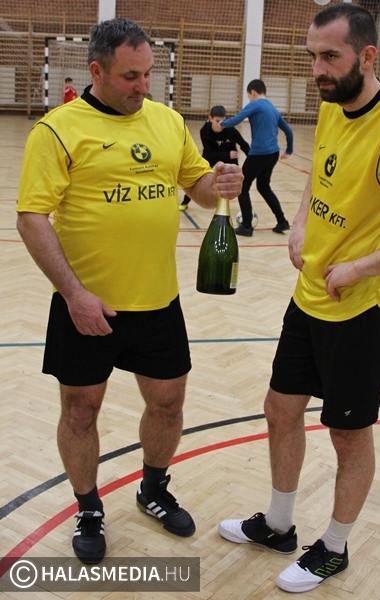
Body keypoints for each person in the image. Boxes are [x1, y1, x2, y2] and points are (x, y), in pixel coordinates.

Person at [218, 3, 380, 594]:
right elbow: (318, 179)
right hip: (310, 295)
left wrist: (360, 266)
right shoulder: (333, 105)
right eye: (312, 57)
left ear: (368, 56)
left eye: (330, 56)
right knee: (280, 409)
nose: (318, 70)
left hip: (361, 308)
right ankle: (278, 525)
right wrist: (300, 224)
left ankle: (333, 547)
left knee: (348, 435)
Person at [16, 18, 242, 565]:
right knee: (80, 413)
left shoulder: (167, 122)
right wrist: (73, 294)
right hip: (86, 306)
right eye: (130, 76)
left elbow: (198, 188)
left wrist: (219, 182)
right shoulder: (57, 130)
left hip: (159, 302)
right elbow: (32, 218)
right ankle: (88, 507)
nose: (143, 86)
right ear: (96, 71)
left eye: (148, 74)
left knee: (168, 404)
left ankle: (153, 488)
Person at [220, 79, 293, 237]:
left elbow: (237, 119)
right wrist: (289, 150)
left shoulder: (255, 105)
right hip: (273, 153)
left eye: (248, 96)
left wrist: (221, 123)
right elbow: (288, 130)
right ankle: (282, 221)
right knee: (263, 186)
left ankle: (247, 226)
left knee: (242, 187)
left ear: (252, 92)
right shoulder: (272, 108)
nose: (249, 99)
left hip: (260, 153)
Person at [179, 104, 250, 211]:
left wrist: (252, 159)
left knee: (236, 181)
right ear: (210, 118)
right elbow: (209, 153)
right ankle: (185, 202)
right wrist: (227, 154)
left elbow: (244, 145)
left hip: (230, 157)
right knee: (196, 178)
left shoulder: (231, 130)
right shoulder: (205, 131)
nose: (221, 124)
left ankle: (246, 211)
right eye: (217, 121)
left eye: (223, 121)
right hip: (212, 155)